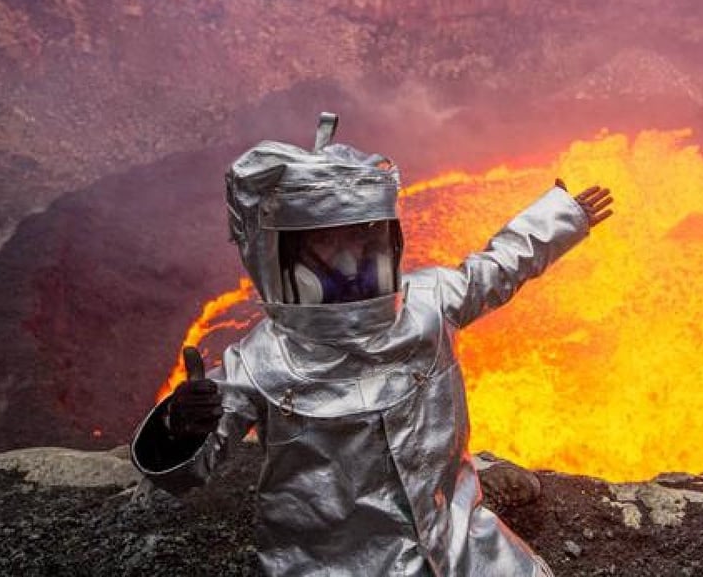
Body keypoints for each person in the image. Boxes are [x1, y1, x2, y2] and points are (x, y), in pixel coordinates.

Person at [131, 113, 613, 576]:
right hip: (325, 565)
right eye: (327, 243)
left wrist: (561, 217)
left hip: (458, 547)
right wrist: (182, 428)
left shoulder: (428, 304)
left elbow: (497, 267)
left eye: (360, 239)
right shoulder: (262, 360)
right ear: (286, 253)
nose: (346, 260)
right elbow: (186, 473)